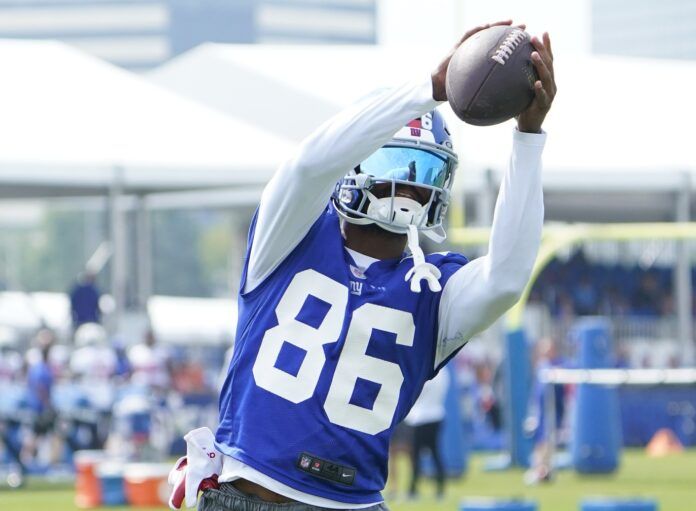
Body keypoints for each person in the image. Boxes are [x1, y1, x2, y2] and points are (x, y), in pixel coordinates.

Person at [169, 20, 556, 511]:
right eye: (399, 168)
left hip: (354, 503)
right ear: (356, 163)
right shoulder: (290, 236)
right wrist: (430, 89)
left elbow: (506, 277)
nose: (412, 188)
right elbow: (309, 165)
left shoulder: (432, 286)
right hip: (248, 491)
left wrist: (528, 136)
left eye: (426, 173)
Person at [403, 367, 450, 500]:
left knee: (416, 455)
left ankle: (413, 489)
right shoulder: (444, 372)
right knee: (435, 453)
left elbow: (418, 392)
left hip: (420, 417)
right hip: (436, 414)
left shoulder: (426, 371)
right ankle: (440, 489)